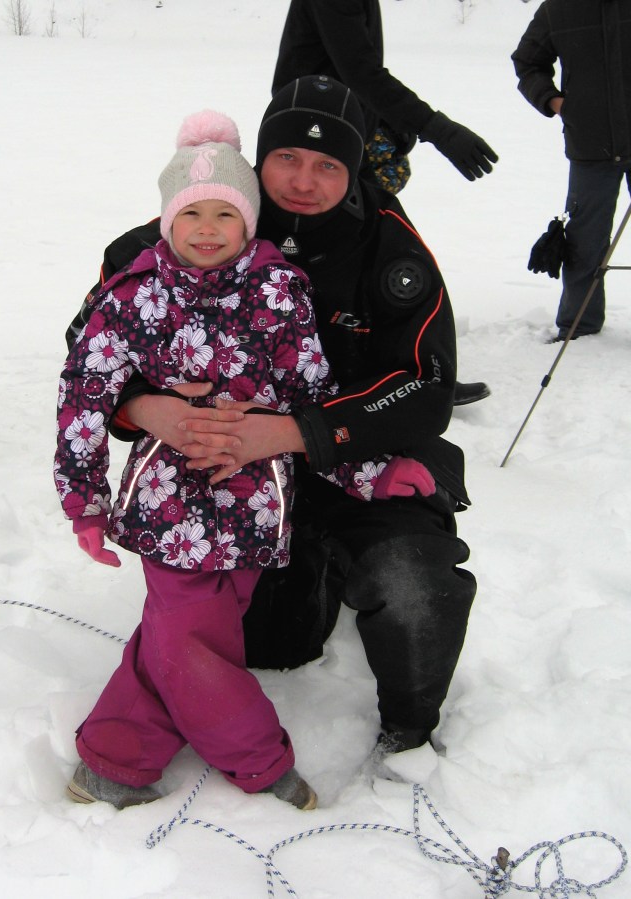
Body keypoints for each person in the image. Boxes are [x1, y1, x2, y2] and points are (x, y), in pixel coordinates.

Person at [69, 76, 478, 770]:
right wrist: (143, 406)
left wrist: (295, 433)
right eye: (287, 158)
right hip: (230, 482)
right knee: (271, 645)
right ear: (257, 158)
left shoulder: (389, 248)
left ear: (355, 171)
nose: (304, 182)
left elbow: (425, 387)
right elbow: (88, 353)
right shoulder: (185, 233)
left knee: (412, 584)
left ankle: (409, 736)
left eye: (328, 165)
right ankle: (306, 584)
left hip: (358, 458)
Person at [271, 0, 497, 405]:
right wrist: (435, 127)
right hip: (315, 137)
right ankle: (325, 370)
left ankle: (409, 367)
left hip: (345, 132)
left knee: (369, 247)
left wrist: (388, 123)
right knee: (345, 251)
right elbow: (359, 69)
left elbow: (356, 69)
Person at [512, 0, 631, 341]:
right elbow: (527, 61)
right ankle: (579, 326)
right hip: (591, 145)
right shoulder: (559, 8)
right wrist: (557, 102)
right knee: (584, 242)